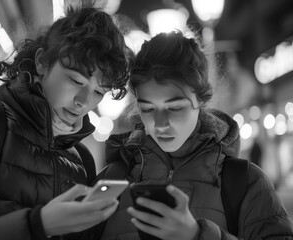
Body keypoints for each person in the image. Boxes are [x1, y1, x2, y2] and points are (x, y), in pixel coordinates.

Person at [0, 3, 132, 240]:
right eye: (76, 81)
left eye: (99, 92)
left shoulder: (82, 159)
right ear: (42, 62)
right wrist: (39, 224)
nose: (84, 102)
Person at [96, 31, 293, 240]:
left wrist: (198, 235)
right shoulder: (111, 181)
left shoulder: (246, 183)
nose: (160, 124)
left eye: (175, 108)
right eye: (148, 109)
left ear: (201, 100)